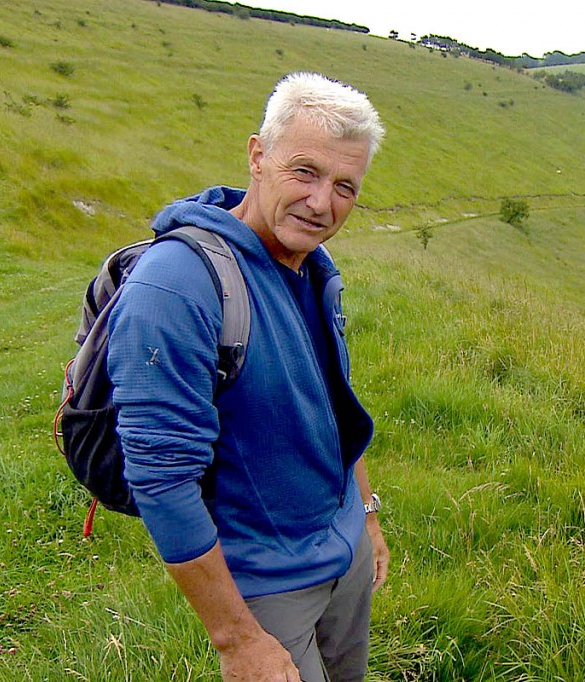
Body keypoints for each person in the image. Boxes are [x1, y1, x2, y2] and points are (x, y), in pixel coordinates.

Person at [107, 72, 389, 682]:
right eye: (305, 172)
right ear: (258, 155)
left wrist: (364, 516)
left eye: (346, 186)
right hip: (265, 587)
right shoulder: (177, 285)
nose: (323, 203)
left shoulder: (314, 264)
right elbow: (161, 478)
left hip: (343, 556)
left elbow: (332, 403)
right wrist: (237, 640)